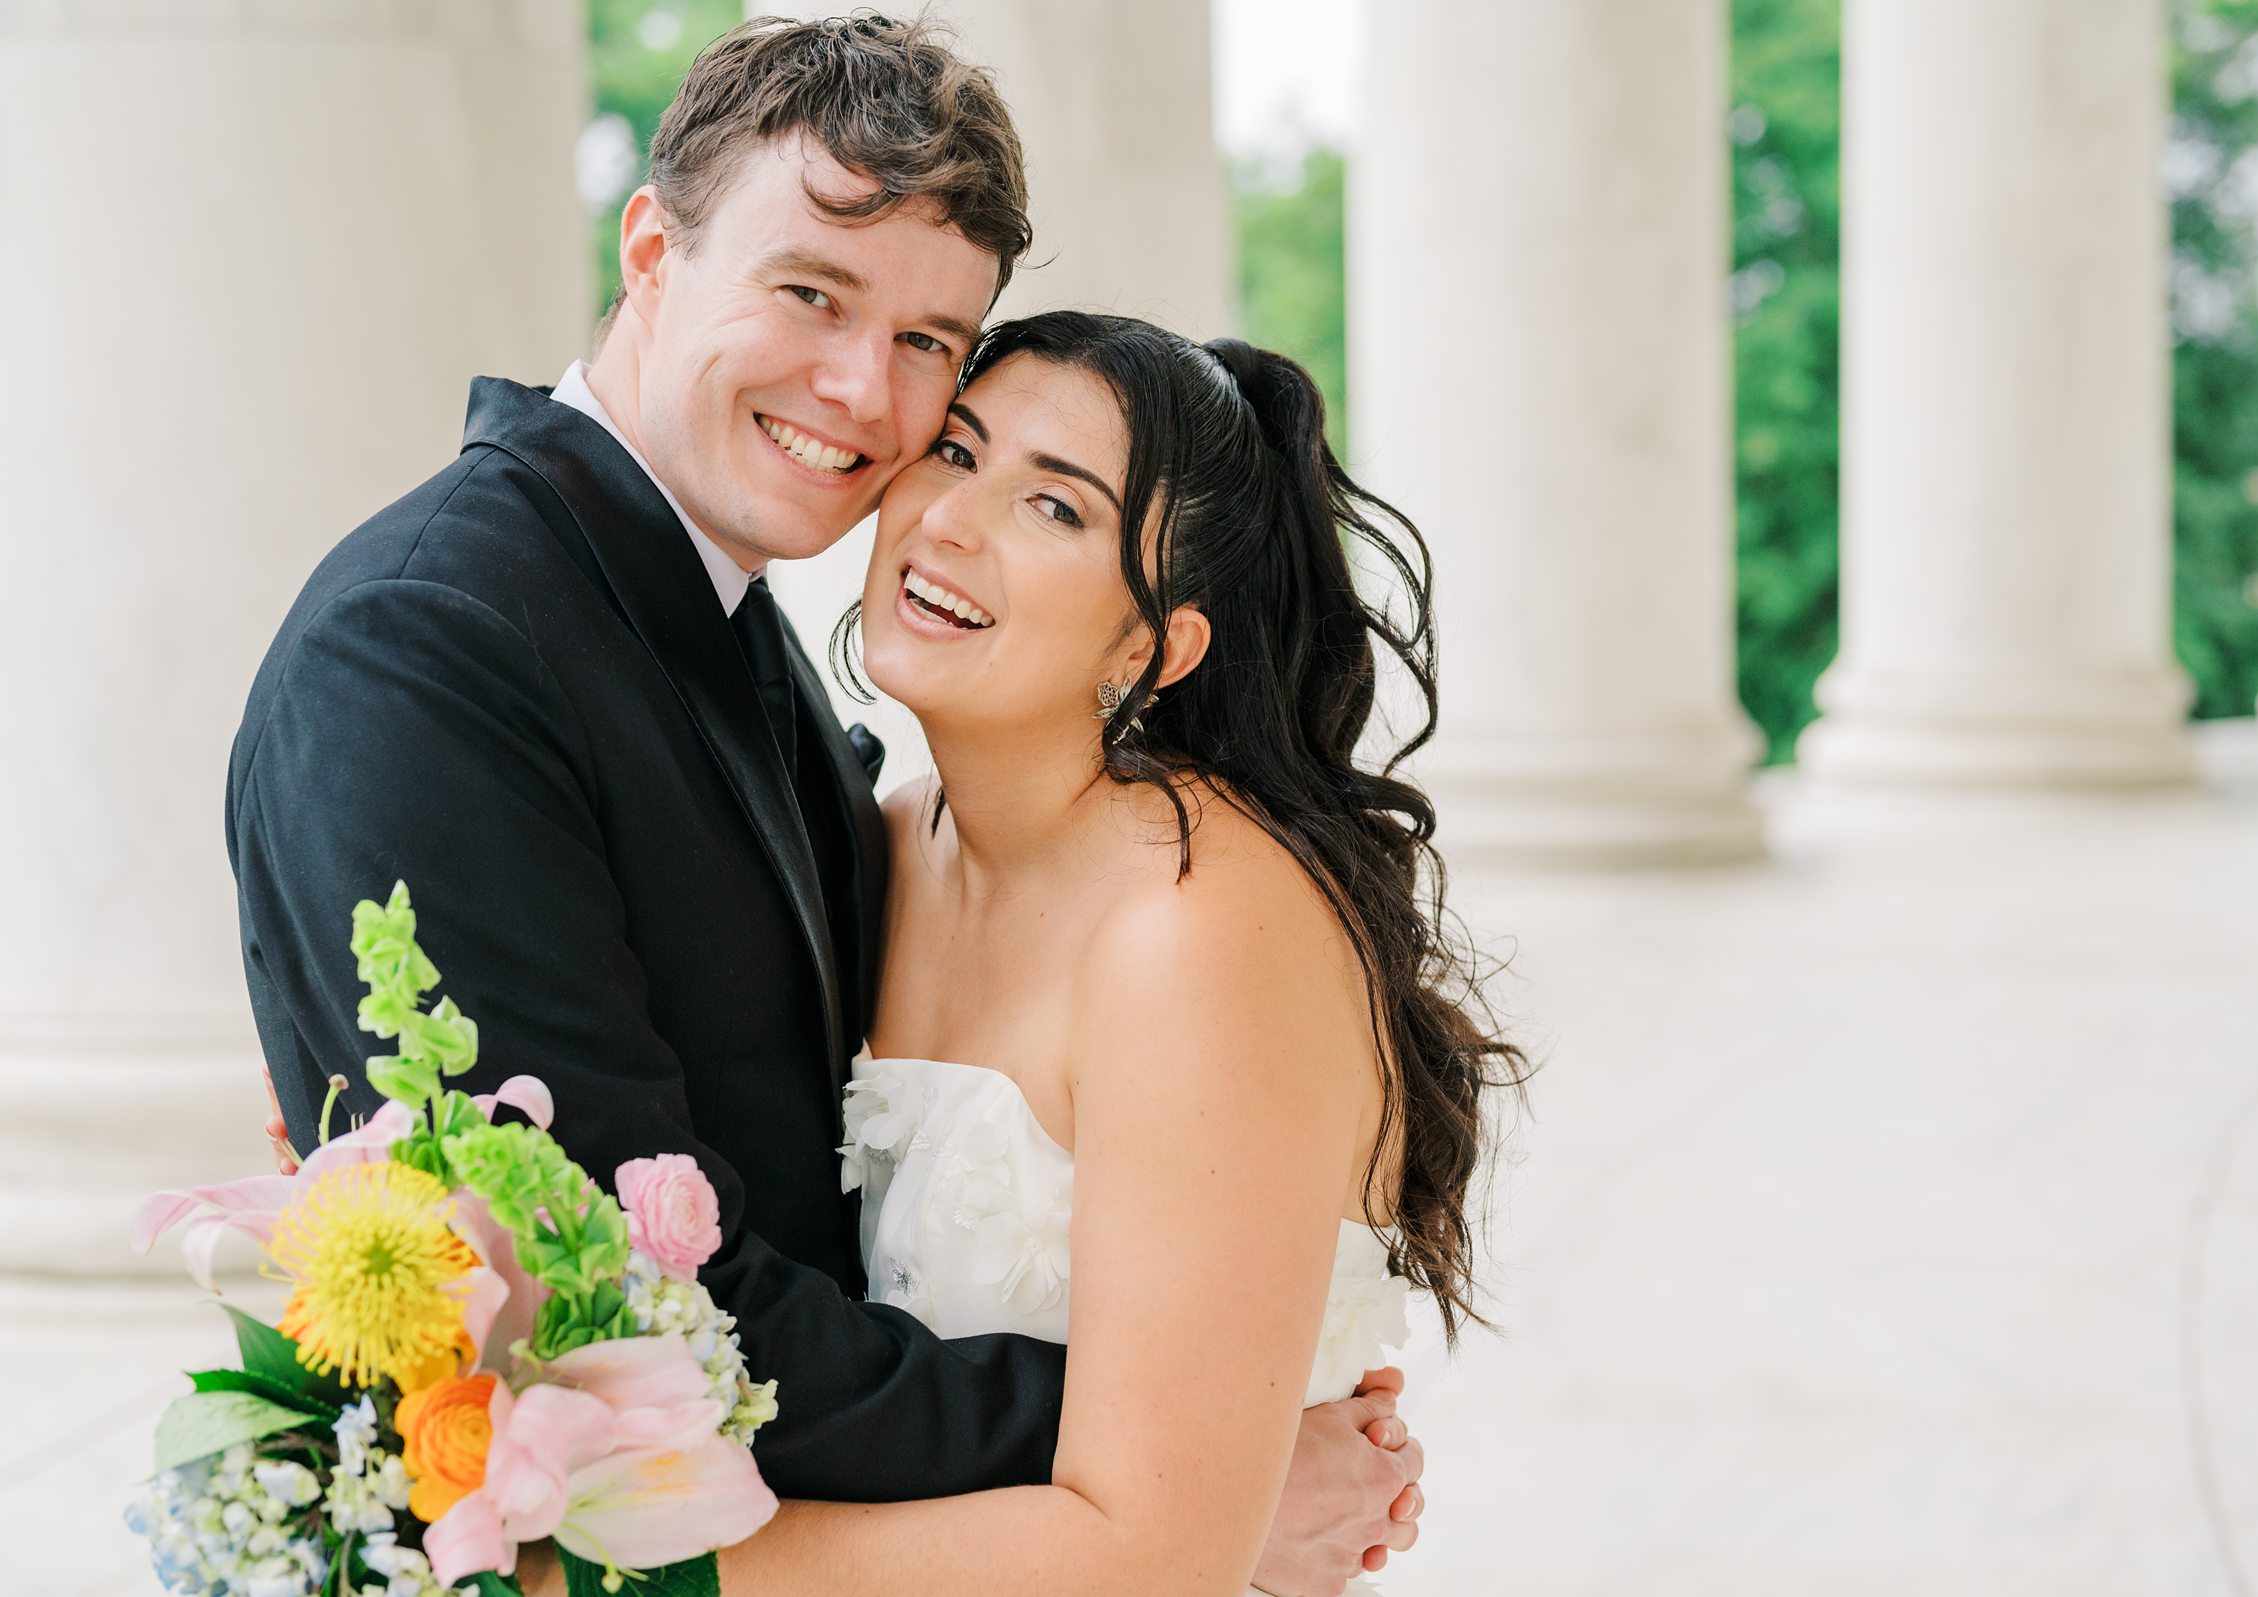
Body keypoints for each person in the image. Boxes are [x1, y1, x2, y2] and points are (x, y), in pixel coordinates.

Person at [230, 16, 1422, 1594]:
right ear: (653, 247)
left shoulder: (737, 625)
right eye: (812, 292)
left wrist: (1179, 1476)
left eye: (933, 341)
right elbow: (622, 1294)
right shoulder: (434, 642)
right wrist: (1194, 1462)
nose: (866, 391)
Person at [561, 310, 1521, 1597]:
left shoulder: (1193, 932)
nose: (952, 520)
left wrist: (610, 1581)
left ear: (1156, 646)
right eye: (955, 452)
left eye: (1055, 509)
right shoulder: (891, 845)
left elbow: (1154, 1555)